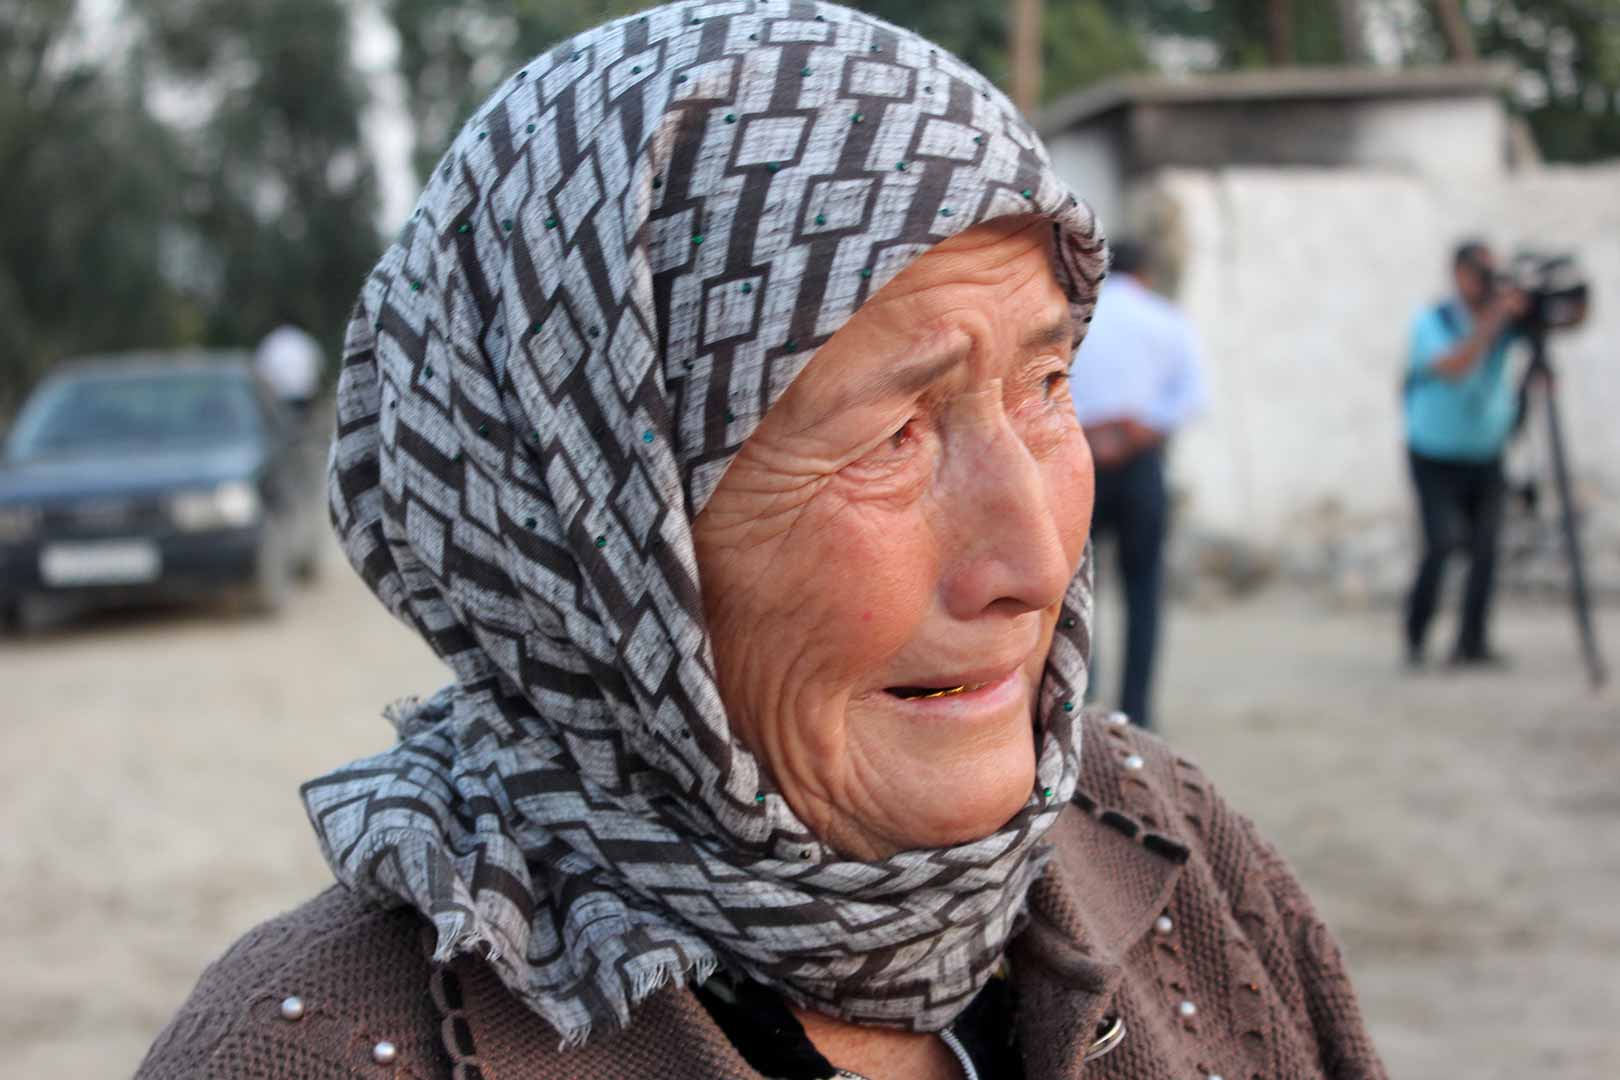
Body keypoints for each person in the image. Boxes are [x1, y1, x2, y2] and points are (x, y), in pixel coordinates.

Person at [138, 6, 1386, 1078]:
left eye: (1046, 381)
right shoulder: (317, 1053)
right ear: (586, 537)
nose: (1034, 562)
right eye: (892, 434)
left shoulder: (1171, 850)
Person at [1068, 239, 1207, 729]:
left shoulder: (1075, 318)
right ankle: (1138, 709)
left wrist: (1093, 432)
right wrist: (1137, 432)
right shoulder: (1166, 319)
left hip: (1080, 458)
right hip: (1141, 460)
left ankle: (1080, 698)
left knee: (1075, 587)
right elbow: (1192, 396)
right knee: (1143, 587)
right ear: (1144, 272)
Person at [1402, 240, 1529, 669]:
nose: (1488, 283)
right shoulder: (1431, 321)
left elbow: (1561, 324)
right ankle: (1417, 637)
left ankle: (1472, 642)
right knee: (1441, 544)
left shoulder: (1505, 321)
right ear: (1458, 275)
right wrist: (1494, 321)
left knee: (1486, 548)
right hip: (1434, 453)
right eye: (1480, 272)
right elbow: (1455, 366)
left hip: (1485, 453)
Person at [253, 320, 324, 415]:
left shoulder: (272, 342)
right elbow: (320, 364)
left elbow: (259, 369)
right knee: (300, 421)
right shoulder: (305, 340)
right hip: (304, 392)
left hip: (280, 394)